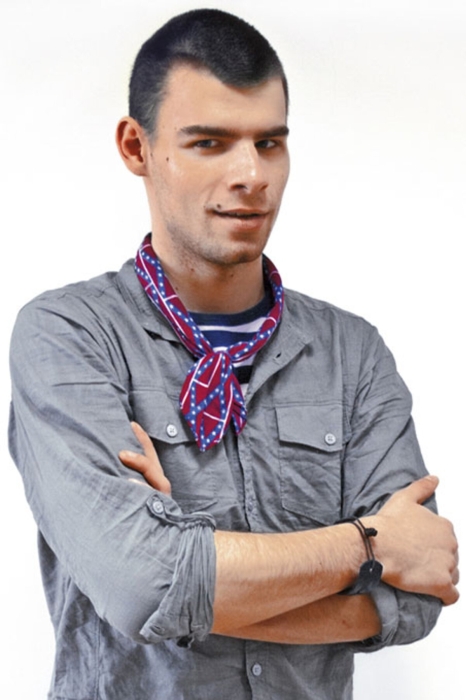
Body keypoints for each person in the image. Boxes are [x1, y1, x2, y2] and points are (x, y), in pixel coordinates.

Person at [8, 8, 459, 700]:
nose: (251, 174)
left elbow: (416, 598)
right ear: (136, 147)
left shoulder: (352, 353)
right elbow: (139, 584)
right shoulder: (69, 336)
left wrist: (189, 580)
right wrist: (371, 544)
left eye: (269, 142)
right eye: (210, 143)